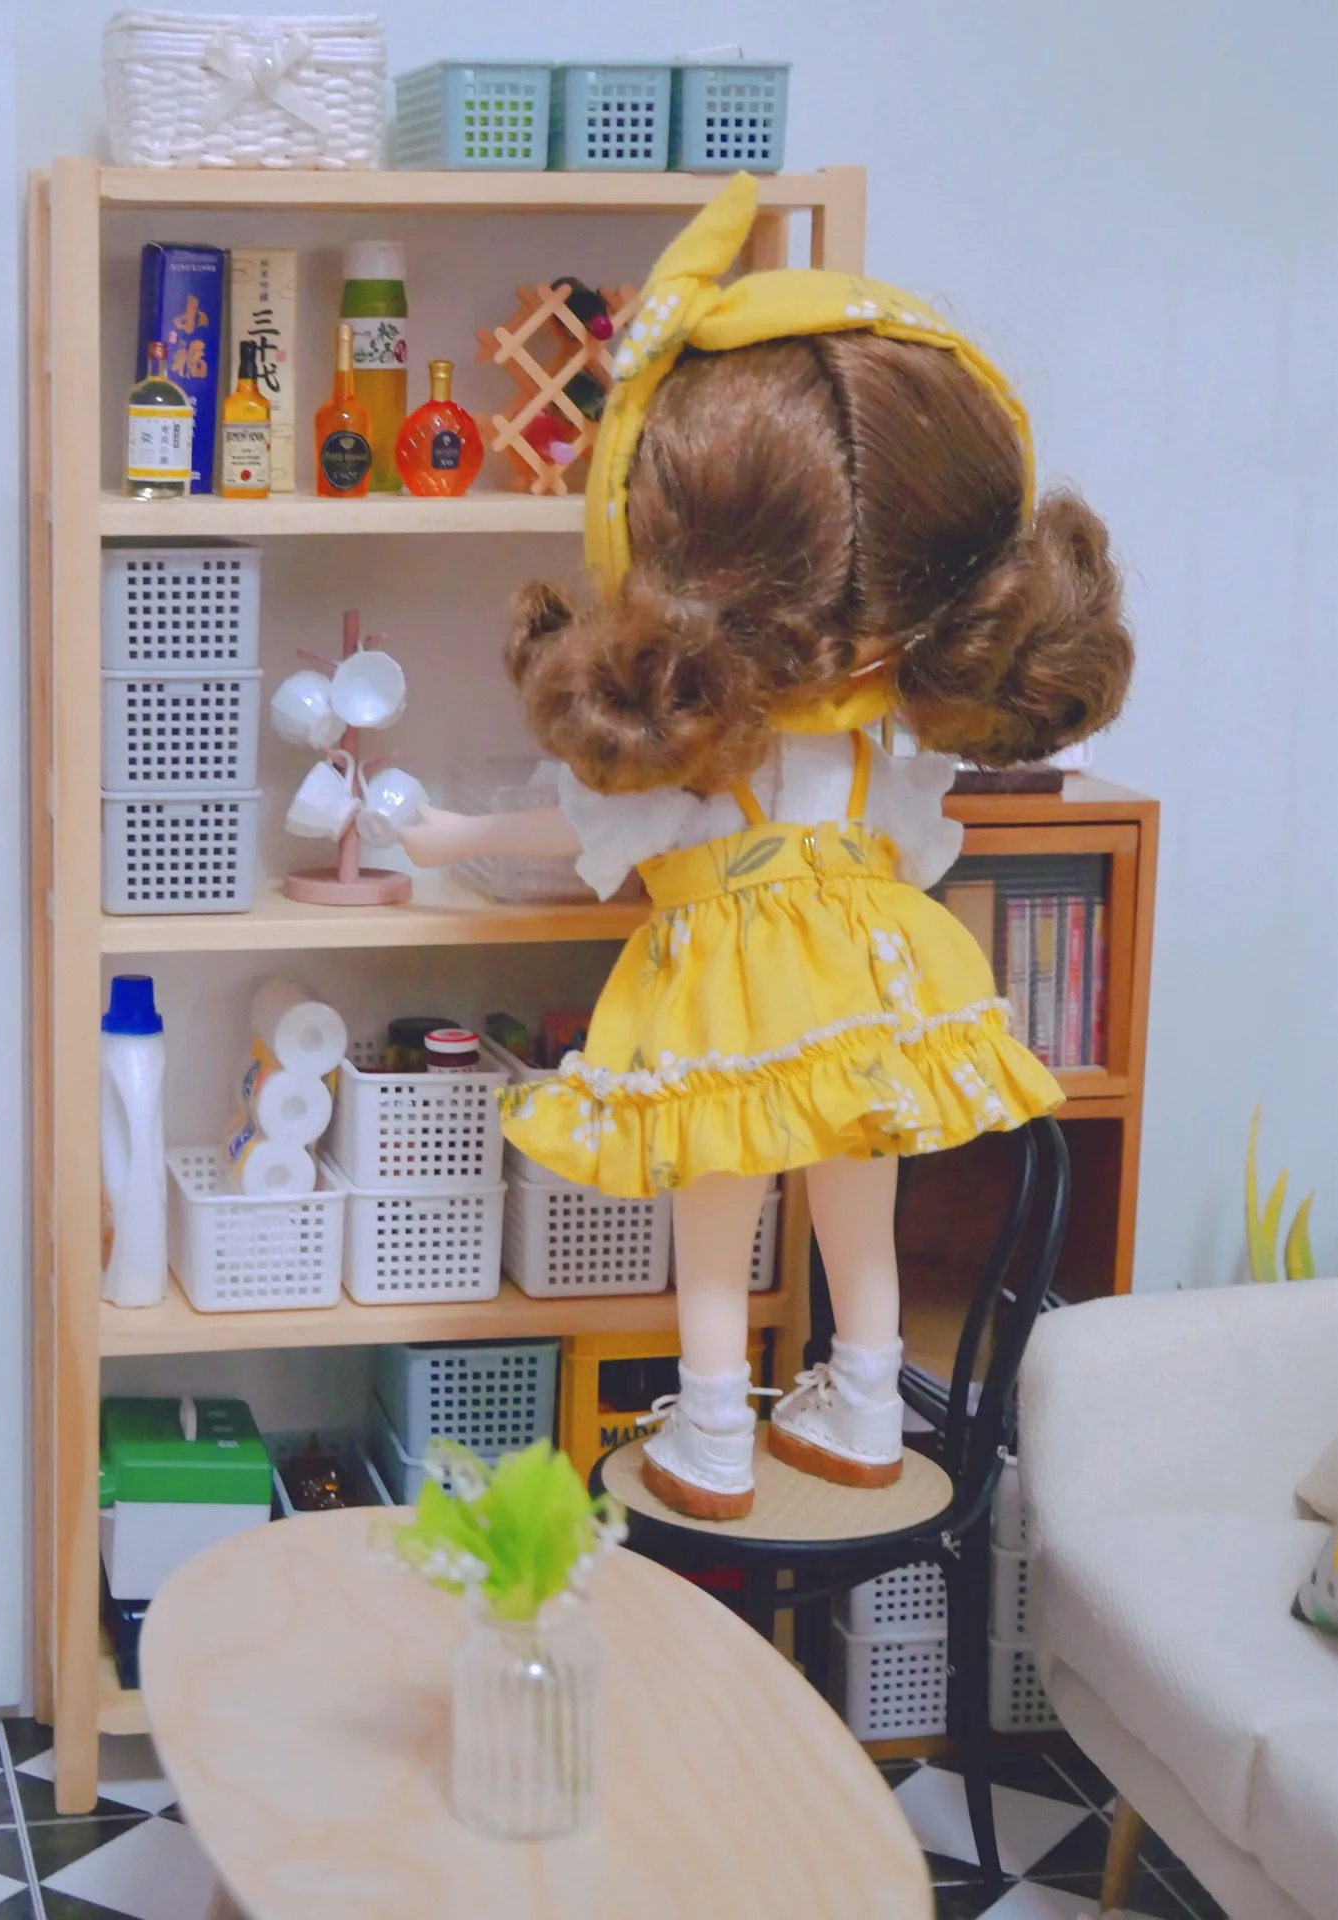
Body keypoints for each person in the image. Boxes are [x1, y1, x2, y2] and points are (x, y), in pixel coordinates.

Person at [399, 174, 1132, 1521]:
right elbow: (917, 856)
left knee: (717, 1219)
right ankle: (864, 1404)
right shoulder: (876, 752)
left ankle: (714, 1430)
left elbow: (585, 826)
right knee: (860, 1205)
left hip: (730, 1001)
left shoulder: (701, 745)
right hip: (875, 991)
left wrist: (449, 834)